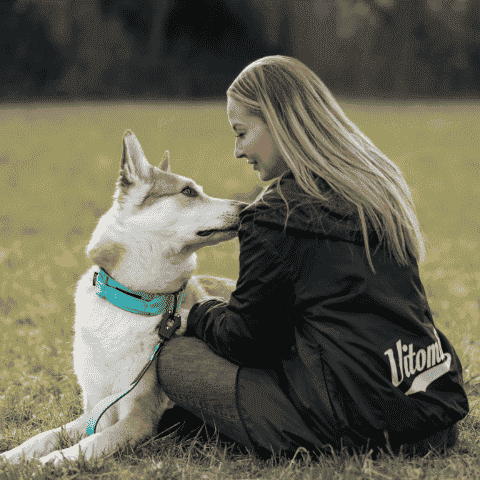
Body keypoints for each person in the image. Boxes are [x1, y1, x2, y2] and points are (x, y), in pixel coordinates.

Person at [155, 55, 469, 461]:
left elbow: (248, 342)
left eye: (242, 132)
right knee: (216, 288)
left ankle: (239, 422)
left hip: (356, 424)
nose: (237, 151)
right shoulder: (375, 187)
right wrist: (215, 302)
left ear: (279, 122)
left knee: (175, 358)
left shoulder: (276, 216)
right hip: (429, 416)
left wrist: (197, 316)